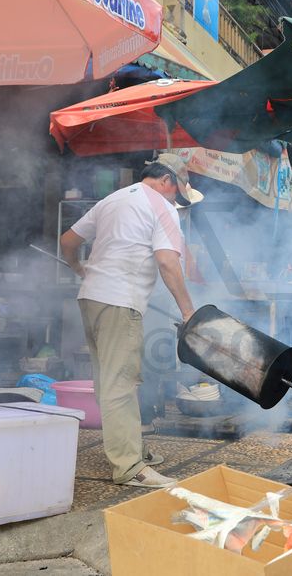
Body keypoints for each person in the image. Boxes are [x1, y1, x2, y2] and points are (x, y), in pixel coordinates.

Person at [59, 153, 199, 489]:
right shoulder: (163, 207)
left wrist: (79, 269)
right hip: (120, 301)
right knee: (119, 384)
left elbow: (67, 241)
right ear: (168, 180)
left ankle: (131, 447)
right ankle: (129, 467)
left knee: (110, 381)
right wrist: (189, 311)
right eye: (178, 191)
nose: (177, 198)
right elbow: (168, 263)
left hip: (91, 298)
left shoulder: (114, 199)